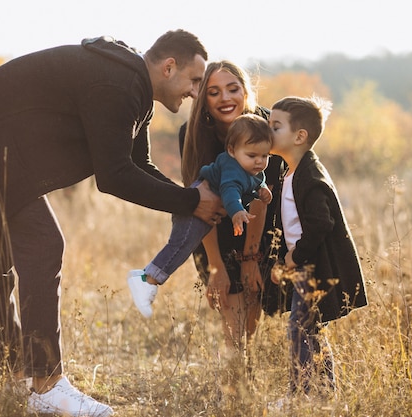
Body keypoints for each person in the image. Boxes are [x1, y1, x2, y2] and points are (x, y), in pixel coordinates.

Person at [0, 29, 222, 417]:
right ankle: (45, 383)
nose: (195, 92)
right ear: (169, 67)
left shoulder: (133, 88)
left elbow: (139, 165)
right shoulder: (118, 85)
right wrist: (191, 201)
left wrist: (193, 203)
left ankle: (15, 380)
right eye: (193, 80)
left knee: (8, 255)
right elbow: (115, 176)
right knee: (30, 248)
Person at [178, 61, 290, 352]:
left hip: (263, 226)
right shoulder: (193, 133)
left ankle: (244, 376)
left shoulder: (267, 127)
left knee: (252, 310)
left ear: (245, 91)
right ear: (203, 99)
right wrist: (216, 268)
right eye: (214, 92)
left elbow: (264, 198)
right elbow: (199, 204)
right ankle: (236, 385)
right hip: (212, 230)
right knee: (233, 315)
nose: (225, 98)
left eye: (232, 89)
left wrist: (251, 258)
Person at [268, 96, 368, 396]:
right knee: (309, 330)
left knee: (300, 330)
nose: (267, 131)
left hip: (311, 266)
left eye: (275, 126)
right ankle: (323, 392)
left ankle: (301, 395)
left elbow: (321, 224)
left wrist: (295, 256)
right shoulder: (291, 171)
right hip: (303, 266)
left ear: (300, 136)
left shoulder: (309, 176)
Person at [128, 114, 273, 318]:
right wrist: (237, 211)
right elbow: (230, 191)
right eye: (252, 156)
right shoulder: (232, 168)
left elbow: (257, 182)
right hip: (196, 206)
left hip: (206, 211)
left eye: (265, 156)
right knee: (180, 245)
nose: (259, 162)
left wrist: (263, 189)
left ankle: (144, 276)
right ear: (232, 151)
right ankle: (147, 280)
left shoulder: (251, 167)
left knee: (182, 245)